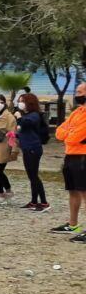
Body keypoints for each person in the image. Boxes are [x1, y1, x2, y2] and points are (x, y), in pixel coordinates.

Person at [52, 82, 86, 241]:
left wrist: (69, 133)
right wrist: (69, 133)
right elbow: (60, 132)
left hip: (83, 157)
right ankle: (73, 224)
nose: (77, 94)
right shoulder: (77, 112)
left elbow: (74, 137)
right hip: (70, 156)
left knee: (84, 192)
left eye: (79, 91)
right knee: (73, 190)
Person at [15, 93, 49, 212]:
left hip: (33, 149)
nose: (20, 103)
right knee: (31, 176)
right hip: (27, 148)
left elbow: (27, 123)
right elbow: (24, 130)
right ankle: (34, 201)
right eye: (19, 101)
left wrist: (19, 117)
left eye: (23, 101)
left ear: (30, 102)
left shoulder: (34, 115)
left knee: (34, 176)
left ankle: (44, 202)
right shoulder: (27, 115)